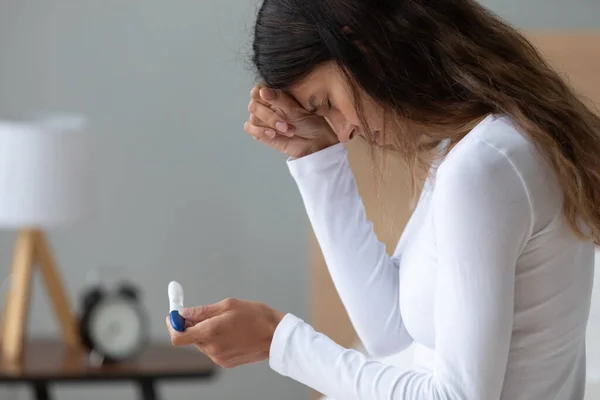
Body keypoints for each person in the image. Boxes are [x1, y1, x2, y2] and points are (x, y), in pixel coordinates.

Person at [166, 0, 600, 399]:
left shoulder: (483, 168)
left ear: (365, 45)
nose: (343, 131)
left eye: (328, 103)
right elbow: (389, 333)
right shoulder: (472, 150)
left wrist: (279, 339)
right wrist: (316, 157)